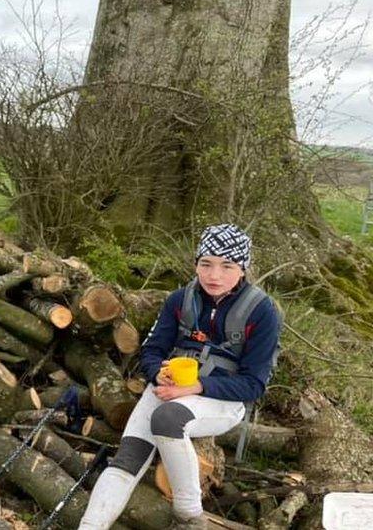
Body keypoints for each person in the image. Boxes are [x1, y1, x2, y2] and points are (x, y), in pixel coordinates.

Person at [78, 224, 280, 530]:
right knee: (127, 458)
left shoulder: (262, 311)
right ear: (196, 263)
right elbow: (150, 351)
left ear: (242, 269)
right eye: (206, 264)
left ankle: (189, 514)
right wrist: (157, 372)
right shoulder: (179, 300)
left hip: (222, 399)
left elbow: (254, 385)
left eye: (227, 266)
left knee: (168, 419)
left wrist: (197, 385)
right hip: (168, 388)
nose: (214, 276)